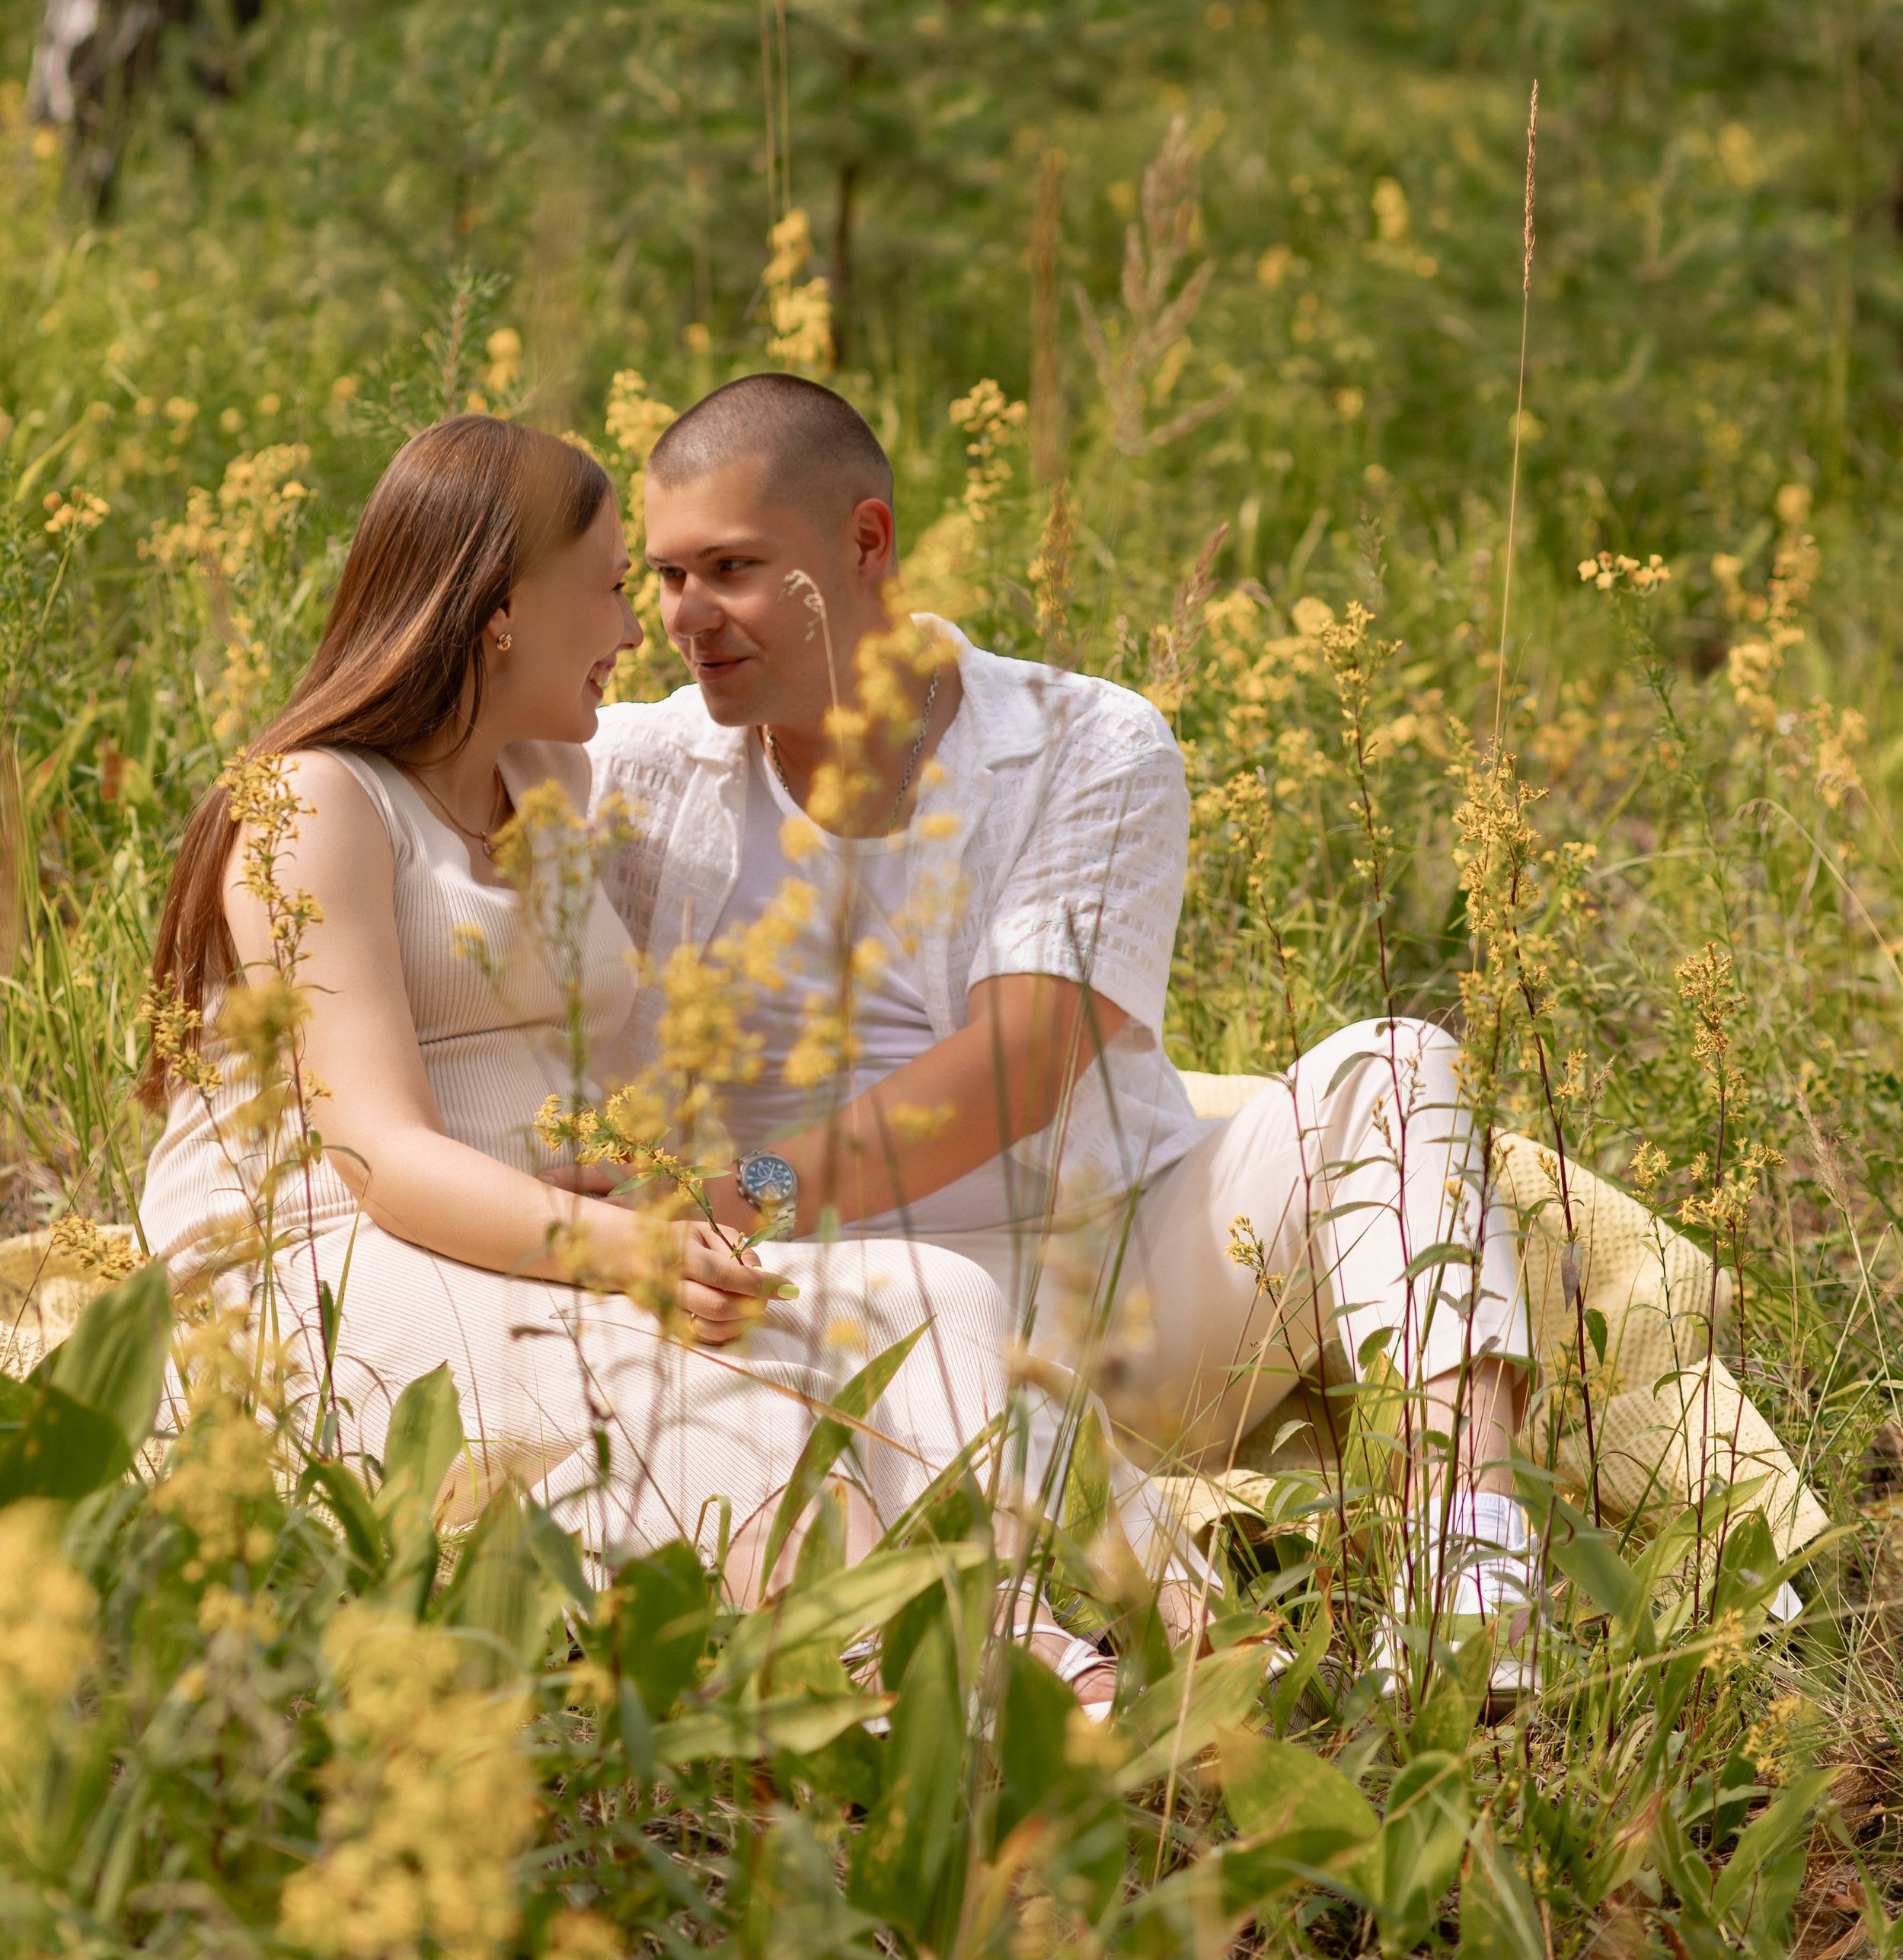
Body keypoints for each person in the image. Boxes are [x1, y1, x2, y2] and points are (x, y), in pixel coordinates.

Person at [139, 417, 1185, 1702]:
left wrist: (668, 1209)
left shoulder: (557, 779)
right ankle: (956, 1671)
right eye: (619, 588)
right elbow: (383, 1156)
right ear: (503, 610)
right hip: (333, 1254)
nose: (645, 633)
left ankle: (1104, 1621)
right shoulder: (313, 805)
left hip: (528, 1231)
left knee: (936, 1297)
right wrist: (627, 1249)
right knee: (726, 1394)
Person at [587, 374, 1537, 1656]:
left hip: (1127, 1287)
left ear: (865, 543)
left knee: (1397, 1063)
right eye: (665, 576)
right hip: (843, 1319)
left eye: (733, 569)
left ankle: (1470, 1560)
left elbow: (1017, 1073)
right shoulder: (632, 772)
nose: (687, 617)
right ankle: (1080, 1629)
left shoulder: (1089, 742)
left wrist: (729, 1197)